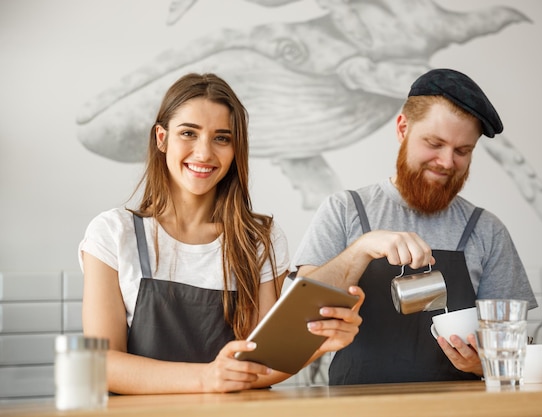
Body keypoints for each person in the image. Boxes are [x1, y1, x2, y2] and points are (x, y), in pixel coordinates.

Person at [78, 73, 364, 394]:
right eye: (188, 133)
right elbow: (101, 364)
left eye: (222, 138)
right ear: (161, 138)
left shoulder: (259, 238)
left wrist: (316, 343)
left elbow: (266, 360)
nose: (204, 153)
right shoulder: (113, 233)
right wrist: (206, 378)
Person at [292, 68, 538, 385]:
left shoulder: (486, 230)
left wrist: (483, 365)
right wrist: (362, 248)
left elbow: (515, 352)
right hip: (355, 408)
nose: (448, 162)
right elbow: (300, 316)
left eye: (463, 151)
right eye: (435, 143)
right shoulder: (344, 210)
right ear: (403, 128)